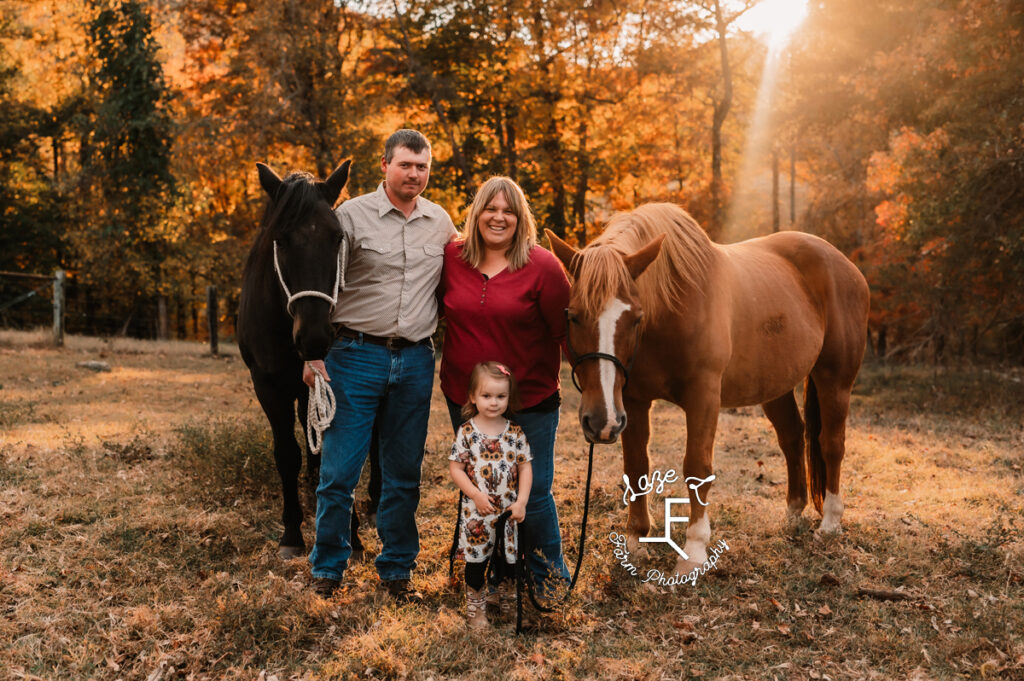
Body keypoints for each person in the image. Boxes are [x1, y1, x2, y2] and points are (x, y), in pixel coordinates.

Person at [304, 129, 457, 601]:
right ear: (385, 165)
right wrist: (311, 352)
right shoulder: (349, 218)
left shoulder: (441, 222)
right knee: (338, 474)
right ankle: (328, 567)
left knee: (403, 474)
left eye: (423, 166)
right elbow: (314, 277)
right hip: (354, 355)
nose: (415, 173)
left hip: (415, 360)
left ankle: (396, 570)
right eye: (406, 164)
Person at [440, 176, 571, 596]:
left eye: (508, 211)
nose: (499, 217)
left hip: (529, 401)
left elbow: (565, 333)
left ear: (520, 218)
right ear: (476, 214)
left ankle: (548, 579)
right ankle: (495, 573)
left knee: (533, 493)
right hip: (467, 400)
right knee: (482, 489)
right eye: (490, 209)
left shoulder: (544, 267)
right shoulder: (451, 258)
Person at [448, 361, 533, 629]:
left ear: (509, 397)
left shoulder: (515, 432)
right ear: (473, 397)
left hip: (509, 513)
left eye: (501, 396)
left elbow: (525, 466)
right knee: (477, 561)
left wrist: (521, 502)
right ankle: (476, 610)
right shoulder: (467, 432)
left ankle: (508, 604)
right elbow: (456, 468)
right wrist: (475, 495)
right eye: (486, 396)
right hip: (478, 512)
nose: (494, 402)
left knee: (510, 562)